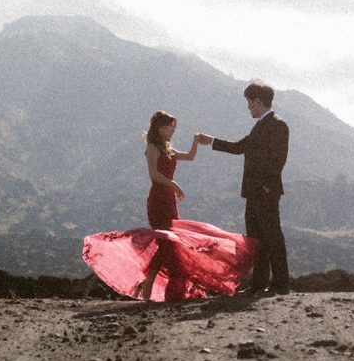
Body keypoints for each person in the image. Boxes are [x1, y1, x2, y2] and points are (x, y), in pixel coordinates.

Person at [82, 111, 257, 302]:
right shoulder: (152, 148)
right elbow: (154, 174)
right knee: (166, 241)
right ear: (159, 128)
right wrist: (174, 185)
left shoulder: (168, 149)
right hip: (158, 199)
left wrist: (196, 142)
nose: (172, 130)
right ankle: (148, 283)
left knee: (171, 244)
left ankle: (150, 284)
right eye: (169, 126)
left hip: (170, 201)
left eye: (173, 126)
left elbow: (190, 157)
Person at [197, 82, 290, 296]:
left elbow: (279, 159)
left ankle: (281, 284)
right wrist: (210, 141)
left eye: (249, 103)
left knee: (272, 237)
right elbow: (240, 147)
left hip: (265, 192)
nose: (248, 107)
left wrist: (267, 186)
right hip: (253, 192)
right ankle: (259, 284)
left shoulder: (278, 125)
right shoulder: (260, 125)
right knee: (256, 239)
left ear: (258, 101)